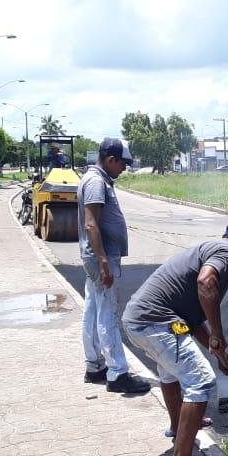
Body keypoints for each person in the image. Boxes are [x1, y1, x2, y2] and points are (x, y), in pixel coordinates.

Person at [120, 218, 228, 456]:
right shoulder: (227, 254)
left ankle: (177, 427)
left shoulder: (210, 248)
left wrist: (217, 351)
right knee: (201, 381)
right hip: (156, 323)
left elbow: (193, 321)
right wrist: (218, 334)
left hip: (141, 320)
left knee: (171, 372)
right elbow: (206, 283)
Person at [78, 138, 150, 394]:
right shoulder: (97, 182)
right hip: (101, 258)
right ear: (111, 160)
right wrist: (104, 261)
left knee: (92, 310)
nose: (124, 169)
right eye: (123, 164)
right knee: (107, 314)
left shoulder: (94, 178)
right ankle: (117, 373)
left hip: (95, 258)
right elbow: (90, 223)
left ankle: (94, 365)